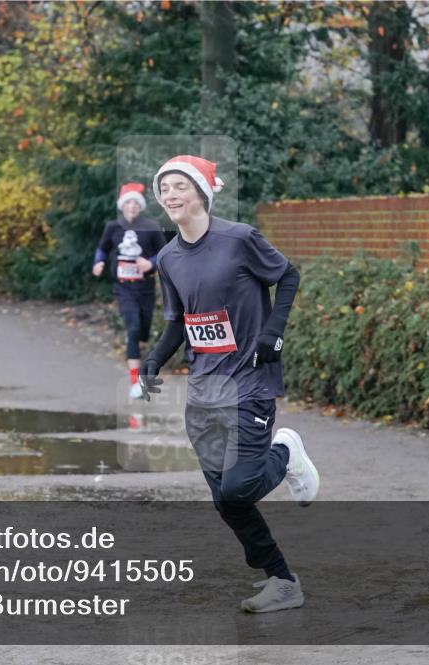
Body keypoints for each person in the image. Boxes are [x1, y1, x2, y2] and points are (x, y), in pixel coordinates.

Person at [139, 155, 320, 613]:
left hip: (250, 380)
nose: (171, 194)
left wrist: (273, 332)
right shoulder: (168, 257)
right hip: (204, 388)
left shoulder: (238, 239)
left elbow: (288, 275)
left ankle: (285, 453)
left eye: (180, 185)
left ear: (202, 192)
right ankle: (283, 581)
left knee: (240, 488)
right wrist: (155, 359)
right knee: (226, 500)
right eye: (164, 188)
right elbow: (179, 322)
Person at [92, 182, 167, 399]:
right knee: (133, 329)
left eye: (136, 203)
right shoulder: (113, 227)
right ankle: (135, 382)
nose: (132, 207)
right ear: (122, 206)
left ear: (140, 206)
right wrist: (98, 262)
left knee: (142, 332)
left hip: (145, 288)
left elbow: (165, 253)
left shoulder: (151, 226)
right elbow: (102, 248)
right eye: (128, 203)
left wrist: (151, 263)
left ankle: (135, 345)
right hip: (123, 288)